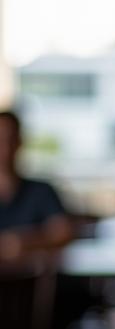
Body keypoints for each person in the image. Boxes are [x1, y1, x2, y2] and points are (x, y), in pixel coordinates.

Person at [0, 110, 75, 262]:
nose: (5, 147)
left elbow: (63, 232)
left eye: (10, 139)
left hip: (34, 281)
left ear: (20, 142)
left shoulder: (41, 191)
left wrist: (22, 242)